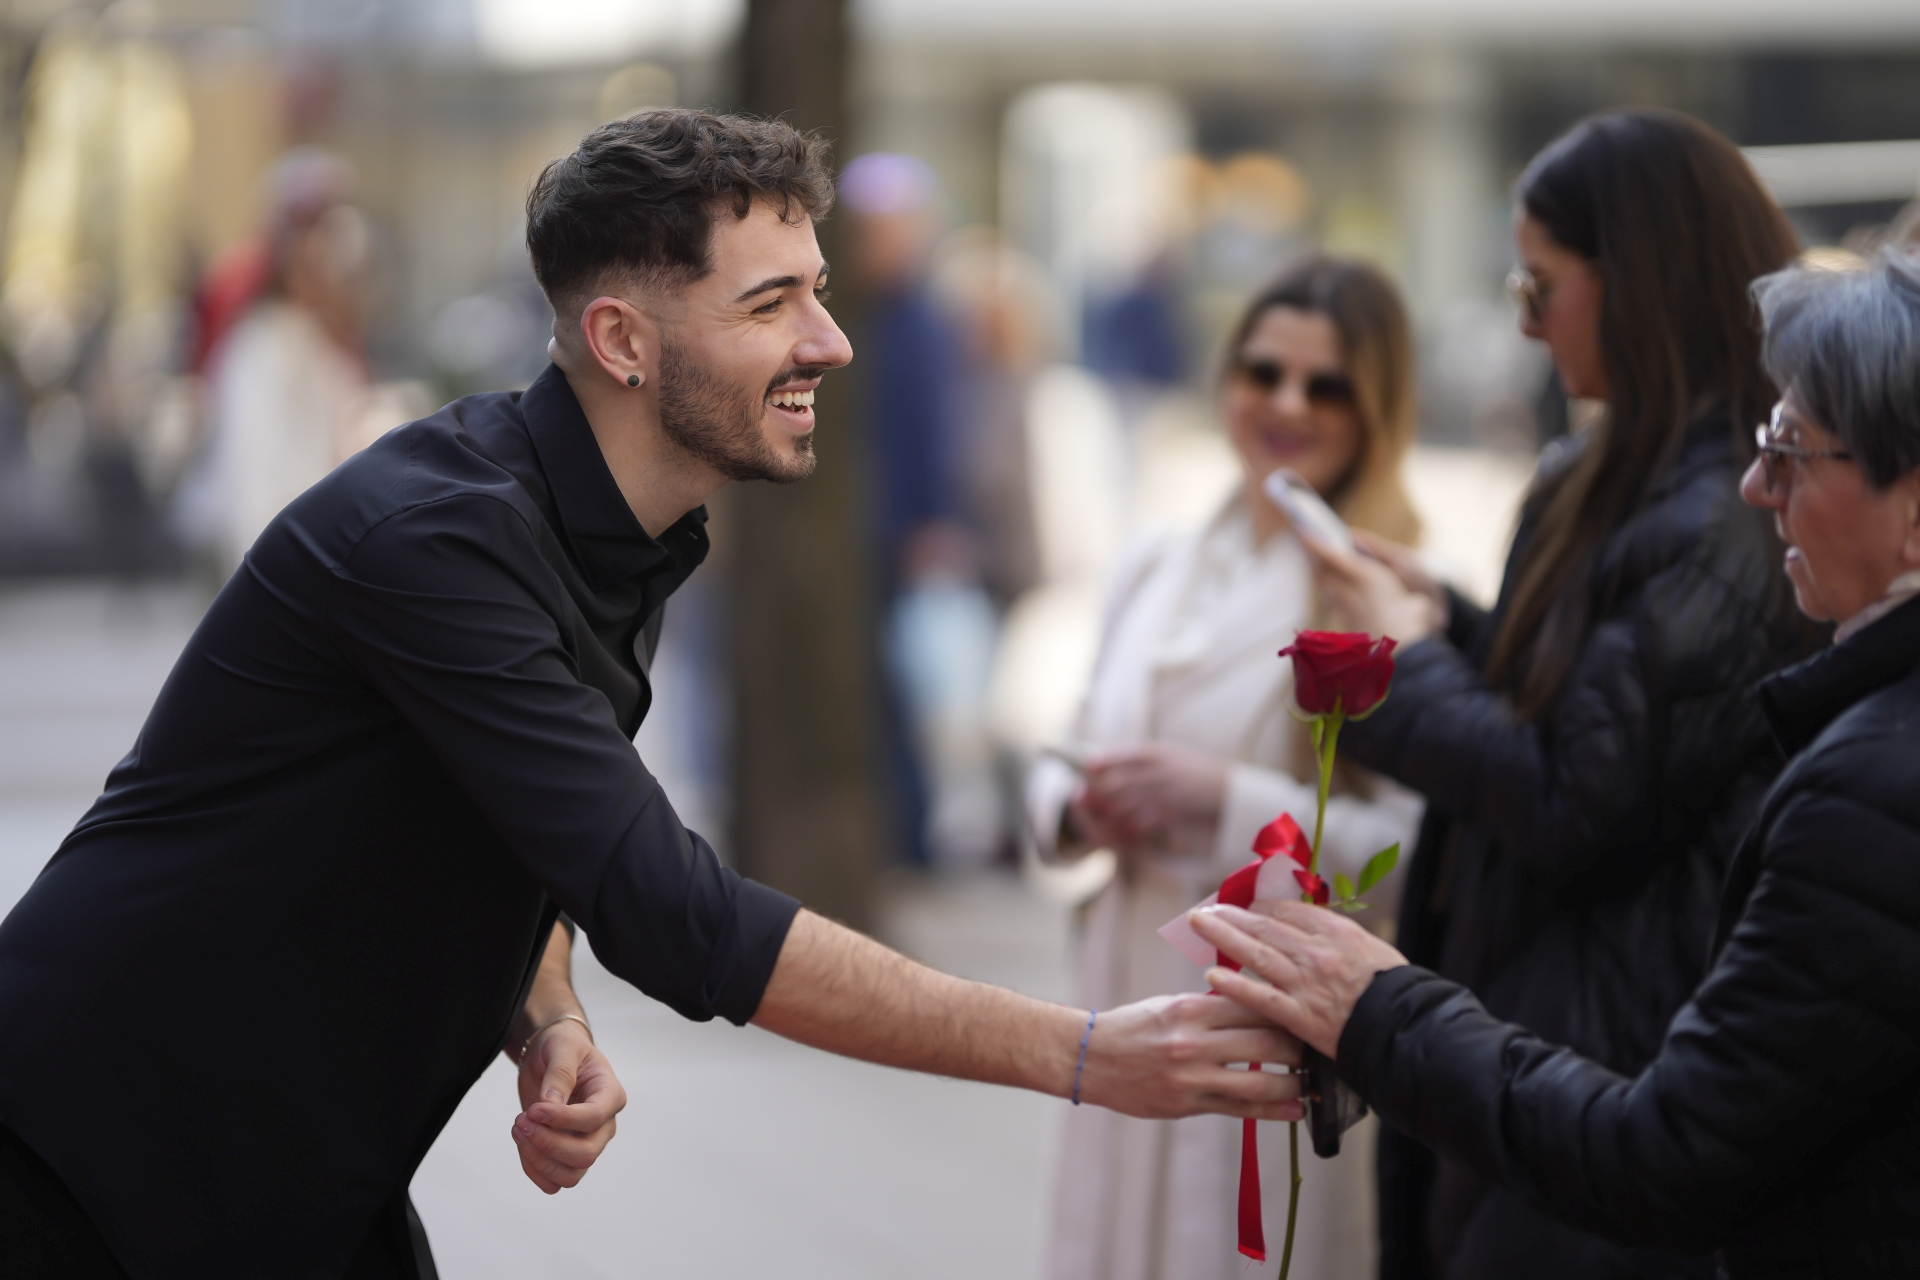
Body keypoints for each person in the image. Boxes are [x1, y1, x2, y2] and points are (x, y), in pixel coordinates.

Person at [0, 110, 1301, 1279]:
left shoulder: (617, 532)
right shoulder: (439, 541)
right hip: (77, 1161)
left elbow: (531, 826)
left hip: (291, 1175)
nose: (830, 343)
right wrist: (1080, 1054)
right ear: (622, 340)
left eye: (823, 292)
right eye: (771, 302)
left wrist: (543, 1012)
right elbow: (672, 912)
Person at [1193, 246, 1920, 1279]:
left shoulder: (1868, 793)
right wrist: (1455, 630)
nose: (1762, 486)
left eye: (1795, 450)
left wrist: (1381, 1004)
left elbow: (1669, 1151)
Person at [1296, 108, 1827, 1279]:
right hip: (1540, 1009)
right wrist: (1447, 615)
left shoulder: (1724, 512)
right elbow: (1587, 697)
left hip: (1612, 1036)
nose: (1526, 326)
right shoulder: (1608, 463)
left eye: (1541, 289)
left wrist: (1402, 662)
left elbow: (1576, 794)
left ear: (1636, 282)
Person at [1030, 255, 1424, 1280]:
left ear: (1375, 405)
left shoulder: (1386, 594)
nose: (1287, 403)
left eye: (1326, 383)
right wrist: (1078, 805)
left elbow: (1421, 846)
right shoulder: (1158, 557)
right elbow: (1071, 736)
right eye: (1264, 371)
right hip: (1121, 975)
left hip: (1269, 1003)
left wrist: (1228, 802)